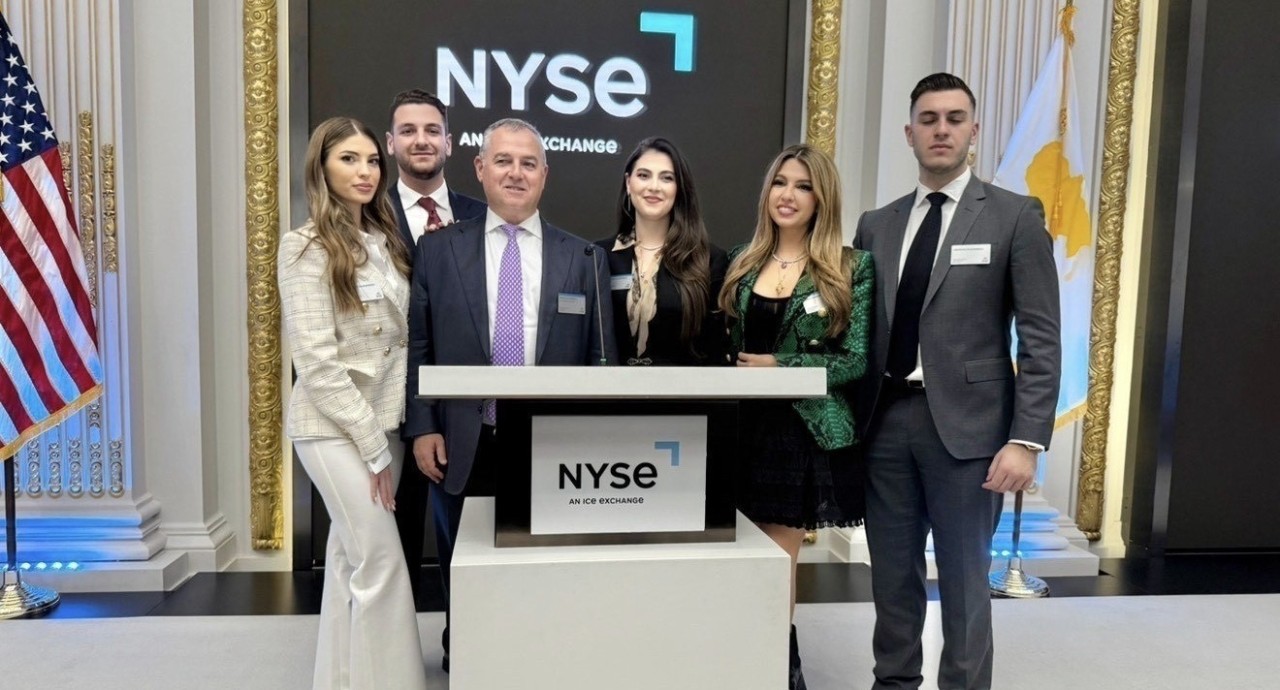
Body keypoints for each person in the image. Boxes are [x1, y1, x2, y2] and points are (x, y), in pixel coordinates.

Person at [852, 72, 1061, 690]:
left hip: (972, 436)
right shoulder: (876, 224)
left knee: (967, 583)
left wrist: (1026, 439)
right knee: (891, 580)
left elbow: (1041, 337)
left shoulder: (1014, 216)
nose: (941, 130)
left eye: (954, 118)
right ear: (909, 133)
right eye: (929, 119)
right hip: (885, 425)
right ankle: (894, 683)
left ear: (974, 130)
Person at [404, 117, 618, 672]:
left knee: (546, 563)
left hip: (553, 444)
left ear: (545, 174)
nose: (515, 173)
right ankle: (467, 650)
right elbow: (419, 345)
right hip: (461, 435)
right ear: (480, 168)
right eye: (503, 161)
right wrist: (423, 426)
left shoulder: (583, 258)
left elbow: (602, 362)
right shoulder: (438, 251)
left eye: (528, 163)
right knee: (461, 559)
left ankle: (538, 656)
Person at [719, 143, 874, 690]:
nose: (788, 195)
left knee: (777, 554)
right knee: (735, 553)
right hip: (736, 427)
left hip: (799, 430)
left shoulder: (850, 267)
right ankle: (736, 659)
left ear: (822, 198)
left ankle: (778, 666)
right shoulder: (740, 260)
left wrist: (780, 365)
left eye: (803, 186)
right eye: (781, 182)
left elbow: (854, 360)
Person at [278, 117, 426, 690]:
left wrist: (385, 438)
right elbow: (316, 363)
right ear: (321, 167)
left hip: (385, 421)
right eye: (348, 159)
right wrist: (372, 447)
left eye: (371, 161)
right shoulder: (304, 246)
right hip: (332, 427)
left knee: (348, 560)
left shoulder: (386, 242)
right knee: (381, 561)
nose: (365, 171)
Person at [383, 88, 487, 591]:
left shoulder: (483, 216)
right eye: (408, 131)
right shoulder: (368, 215)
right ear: (390, 143)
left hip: (466, 407)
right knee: (392, 540)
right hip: (389, 402)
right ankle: (394, 637)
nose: (420, 140)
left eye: (431, 130)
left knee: (467, 540)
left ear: (449, 141)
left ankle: (460, 629)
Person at [594, 137, 729, 366]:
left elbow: (715, 351)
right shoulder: (598, 256)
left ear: (679, 188)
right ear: (628, 183)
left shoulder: (709, 260)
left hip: (683, 388)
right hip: (610, 388)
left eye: (667, 178)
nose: (654, 187)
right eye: (643, 175)